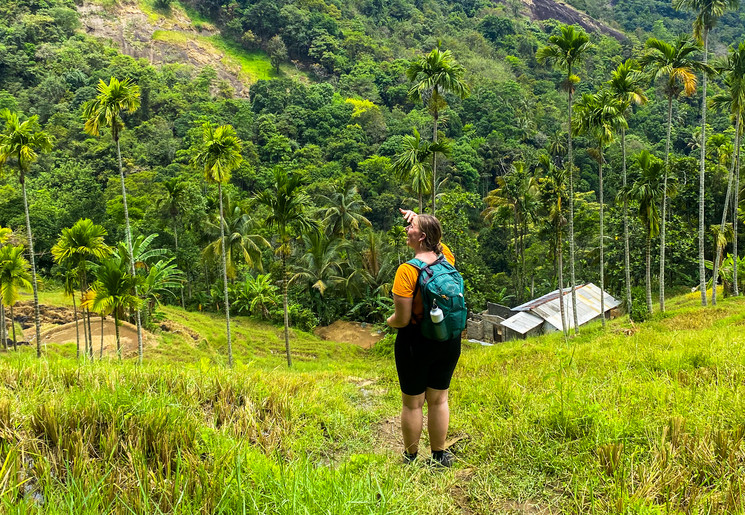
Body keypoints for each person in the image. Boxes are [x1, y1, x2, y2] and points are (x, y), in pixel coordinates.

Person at [386, 208, 461, 467]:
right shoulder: (446, 259)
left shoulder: (407, 271)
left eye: (412, 227)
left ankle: (410, 457)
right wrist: (419, 218)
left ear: (421, 237)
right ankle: (439, 456)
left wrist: (388, 321)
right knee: (439, 399)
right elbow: (438, 241)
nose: (407, 230)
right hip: (448, 340)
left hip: (415, 342)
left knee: (413, 404)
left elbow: (402, 319)